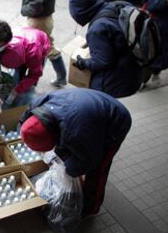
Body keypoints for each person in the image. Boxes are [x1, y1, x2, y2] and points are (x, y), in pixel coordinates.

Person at [20, 88, 131, 217]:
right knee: (68, 154)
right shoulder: (36, 107)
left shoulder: (77, 133)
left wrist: (67, 170)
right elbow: (23, 122)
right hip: (86, 107)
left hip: (115, 121)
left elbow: (88, 161)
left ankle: (91, 207)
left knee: (98, 169)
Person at [69, 0, 142, 98]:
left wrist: (83, 63)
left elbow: (102, 61)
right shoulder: (119, 5)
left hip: (115, 82)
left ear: (81, 12)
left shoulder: (97, 29)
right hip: (133, 70)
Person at [21, 0, 67, 87]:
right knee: (48, 47)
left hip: (38, 21)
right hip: (46, 18)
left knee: (38, 51)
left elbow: (36, 3)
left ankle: (32, 84)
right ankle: (61, 77)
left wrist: (24, 10)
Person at [0, 26, 51, 108]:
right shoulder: (7, 44)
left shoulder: (35, 55)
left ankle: (25, 95)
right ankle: (19, 88)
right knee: (18, 75)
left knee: (31, 81)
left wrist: (17, 90)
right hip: (25, 38)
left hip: (40, 45)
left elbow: (35, 75)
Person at [142, 0, 168, 87]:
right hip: (160, 27)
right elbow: (148, 3)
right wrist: (165, 0)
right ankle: (153, 73)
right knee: (155, 54)